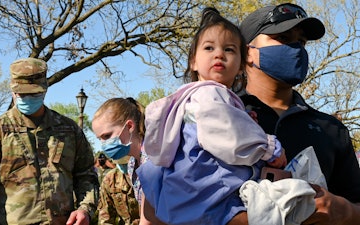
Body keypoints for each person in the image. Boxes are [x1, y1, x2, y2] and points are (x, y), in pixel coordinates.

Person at [136, 8, 287, 225]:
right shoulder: (210, 93)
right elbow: (230, 137)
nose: (219, 54)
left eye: (229, 49)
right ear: (193, 62)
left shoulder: (195, 97)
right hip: (208, 188)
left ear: (240, 65)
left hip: (187, 190)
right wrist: (270, 147)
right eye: (209, 48)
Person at [238, 3, 360, 224]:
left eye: (301, 42)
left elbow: (356, 203)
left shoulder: (332, 129)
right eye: (283, 38)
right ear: (247, 53)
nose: (296, 49)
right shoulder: (217, 116)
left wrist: (344, 211)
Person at [0, 58, 99, 225]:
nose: (27, 98)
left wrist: (85, 209)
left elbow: (87, 176)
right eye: (22, 94)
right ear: (12, 91)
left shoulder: (69, 130)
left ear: (45, 90)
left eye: (34, 93)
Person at [91, 97, 164, 224]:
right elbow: (146, 215)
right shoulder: (133, 164)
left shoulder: (153, 158)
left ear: (129, 126)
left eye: (107, 136)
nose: (103, 144)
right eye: (100, 139)